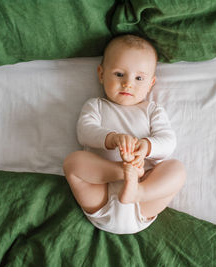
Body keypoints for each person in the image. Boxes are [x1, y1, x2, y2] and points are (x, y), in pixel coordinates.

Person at [63, 34, 186, 234]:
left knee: (176, 169)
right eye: (119, 74)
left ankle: (138, 191)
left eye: (139, 78)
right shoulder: (96, 105)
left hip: (142, 199)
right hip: (100, 194)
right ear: (101, 74)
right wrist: (111, 139)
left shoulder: (152, 110)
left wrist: (147, 146)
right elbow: (84, 132)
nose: (128, 83)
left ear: (151, 83)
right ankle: (121, 171)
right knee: (73, 162)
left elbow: (168, 141)